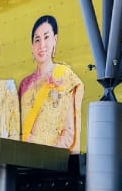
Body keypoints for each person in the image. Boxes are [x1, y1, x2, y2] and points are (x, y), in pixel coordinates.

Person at [18, 15, 84, 152]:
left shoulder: (65, 77)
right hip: (20, 162)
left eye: (46, 37)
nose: (42, 45)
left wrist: (37, 146)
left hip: (50, 164)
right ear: (32, 46)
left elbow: (69, 135)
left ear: (55, 40)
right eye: (37, 40)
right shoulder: (25, 85)